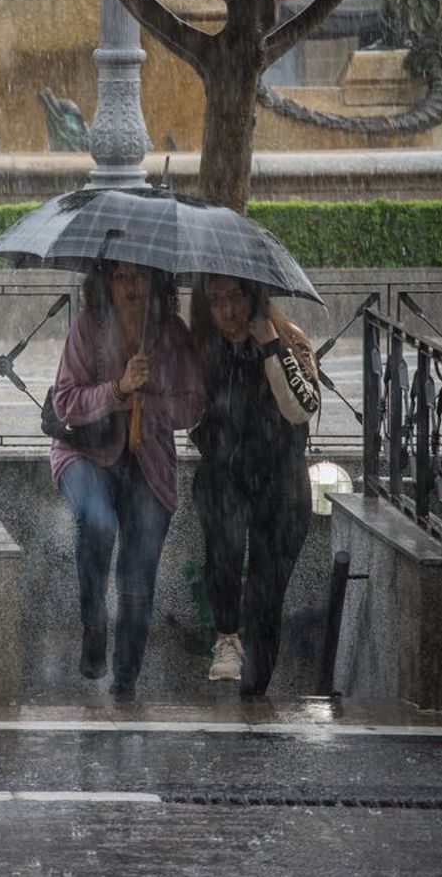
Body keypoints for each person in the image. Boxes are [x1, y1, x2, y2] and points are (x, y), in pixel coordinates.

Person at [51, 261, 204, 701]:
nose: (132, 285)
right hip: (86, 453)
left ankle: (125, 682)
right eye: (121, 276)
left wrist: (147, 403)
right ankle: (93, 622)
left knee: (138, 580)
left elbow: (193, 404)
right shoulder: (88, 327)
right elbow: (66, 402)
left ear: (157, 282)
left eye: (141, 275)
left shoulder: (171, 333)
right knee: (98, 524)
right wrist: (117, 392)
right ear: (105, 282)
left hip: (149, 463)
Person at [189, 275, 321, 697]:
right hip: (226, 479)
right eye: (216, 300)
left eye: (236, 297)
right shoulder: (205, 349)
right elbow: (188, 417)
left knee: (266, 595)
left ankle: (254, 696)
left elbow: (302, 410)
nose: (227, 311)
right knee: (224, 554)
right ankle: (226, 637)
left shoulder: (290, 340)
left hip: (281, 484)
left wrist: (270, 347)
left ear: (255, 296)